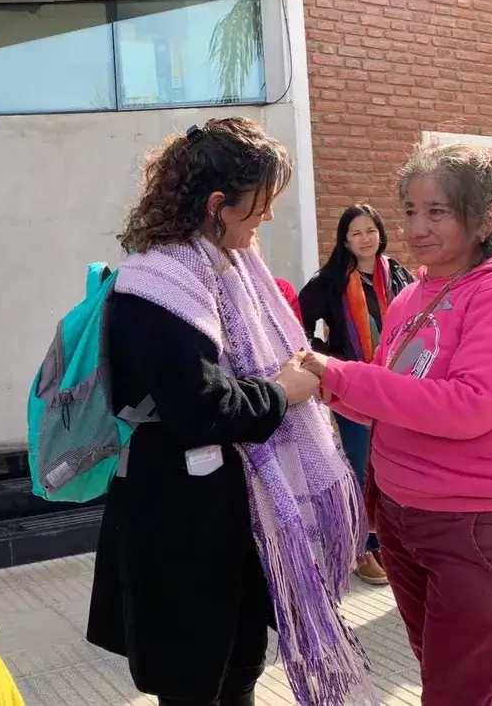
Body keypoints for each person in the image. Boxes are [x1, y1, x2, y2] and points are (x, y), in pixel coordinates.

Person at [87, 118, 374, 706]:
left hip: (230, 507)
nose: (267, 218)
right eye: (260, 204)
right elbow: (201, 407)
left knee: (240, 661)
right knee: (193, 676)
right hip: (178, 518)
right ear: (217, 205)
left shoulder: (224, 268)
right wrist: (286, 391)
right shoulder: (158, 283)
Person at [298, 143, 492, 706]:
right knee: (442, 681)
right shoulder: (414, 293)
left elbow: (471, 405)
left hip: (481, 526)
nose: (416, 227)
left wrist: (341, 376)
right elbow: (392, 401)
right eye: (410, 210)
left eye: (437, 211)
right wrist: (324, 387)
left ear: (488, 215)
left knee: (458, 694)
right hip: (402, 517)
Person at [298, 203, 414, 585]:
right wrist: (326, 359)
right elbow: (296, 322)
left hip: (396, 387)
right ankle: (361, 547)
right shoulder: (329, 280)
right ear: (345, 241)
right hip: (353, 387)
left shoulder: (397, 273)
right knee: (360, 465)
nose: (365, 239)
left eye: (370, 231)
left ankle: (390, 543)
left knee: (394, 465)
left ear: (380, 233)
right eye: (356, 233)